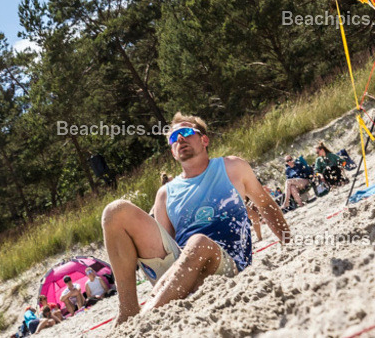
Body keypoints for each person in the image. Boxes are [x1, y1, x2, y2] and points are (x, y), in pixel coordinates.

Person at [100, 113, 289, 325]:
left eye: (186, 132)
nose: (180, 139)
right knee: (115, 211)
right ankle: (128, 312)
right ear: (172, 152)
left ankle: (145, 322)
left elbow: (265, 204)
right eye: (174, 138)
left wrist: (289, 244)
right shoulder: (165, 193)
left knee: (198, 242)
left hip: (225, 265)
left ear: (204, 139)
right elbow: (164, 246)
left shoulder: (232, 167)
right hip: (182, 270)